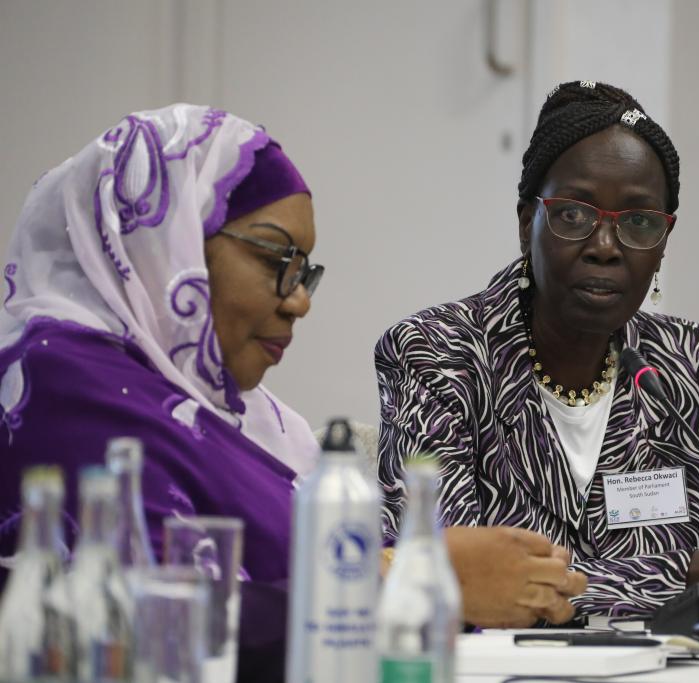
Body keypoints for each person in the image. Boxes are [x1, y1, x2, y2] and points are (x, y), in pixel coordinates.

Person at [0, 104, 584, 680]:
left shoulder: (245, 415)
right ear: (168, 239)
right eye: (277, 258)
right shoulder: (52, 382)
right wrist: (413, 578)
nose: (300, 300)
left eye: (304, 271)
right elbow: (135, 625)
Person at [376, 81, 699, 617]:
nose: (604, 247)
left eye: (638, 222)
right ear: (528, 224)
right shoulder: (438, 354)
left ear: (663, 244)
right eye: (574, 214)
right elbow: (437, 577)